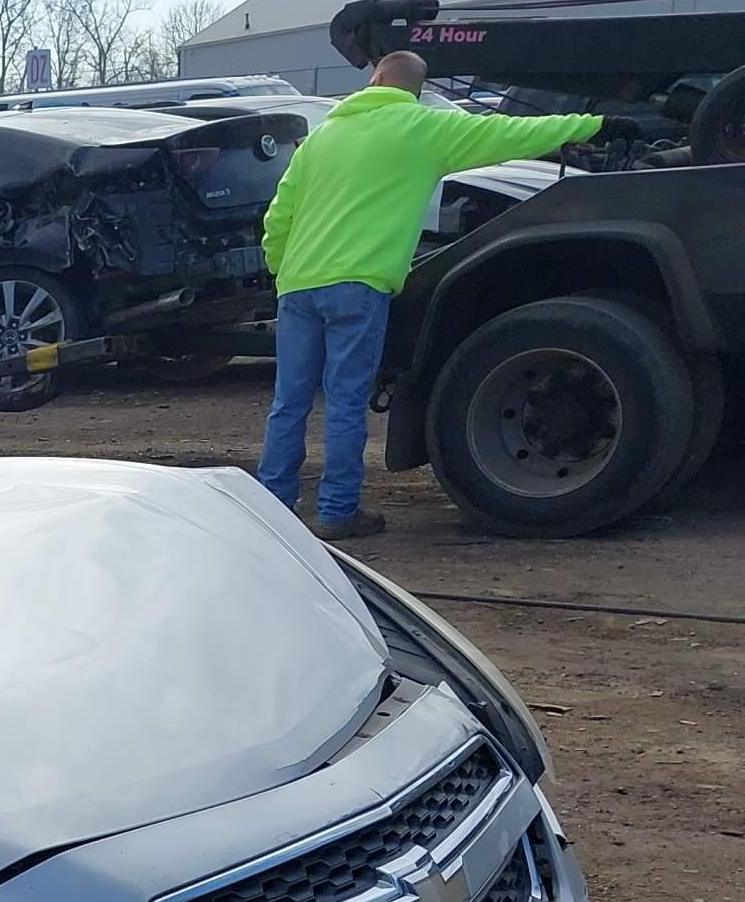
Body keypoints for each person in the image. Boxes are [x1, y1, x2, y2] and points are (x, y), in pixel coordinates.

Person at [256, 52, 636, 539]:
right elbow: (510, 134)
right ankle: (336, 512)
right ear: (415, 89)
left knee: (288, 403)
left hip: (299, 286)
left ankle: (269, 511)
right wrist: (594, 124)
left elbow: (278, 215)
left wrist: (283, 269)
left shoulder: (322, 138)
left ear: (374, 79)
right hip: (360, 284)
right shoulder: (422, 128)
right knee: (346, 402)